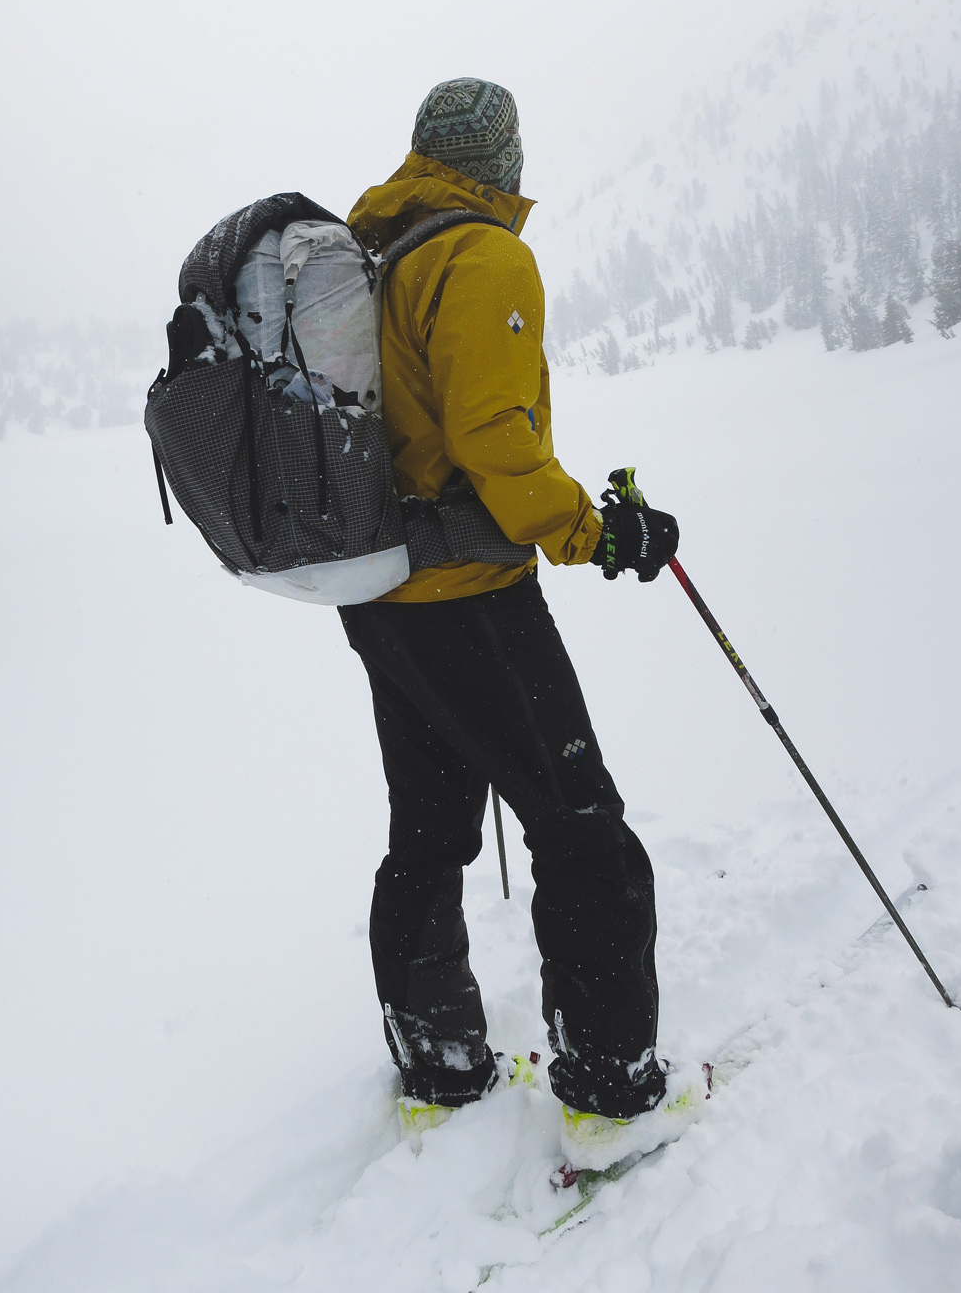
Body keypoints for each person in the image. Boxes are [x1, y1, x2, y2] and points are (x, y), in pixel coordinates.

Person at [338, 78, 680, 1135]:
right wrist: (596, 530)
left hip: (380, 593)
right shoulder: (482, 254)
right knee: (584, 831)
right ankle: (610, 1086)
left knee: (430, 829)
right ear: (503, 159)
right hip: (470, 595)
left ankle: (440, 1060)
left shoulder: (373, 252)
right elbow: (494, 432)